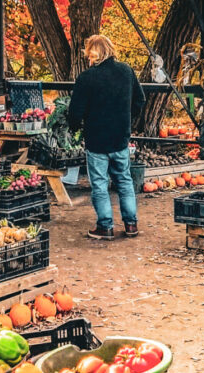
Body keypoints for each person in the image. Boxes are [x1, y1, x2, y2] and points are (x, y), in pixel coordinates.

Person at [69, 34, 146, 239]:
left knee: (100, 184)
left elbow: (75, 112)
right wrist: (128, 119)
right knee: (124, 180)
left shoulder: (86, 78)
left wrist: (76, 127)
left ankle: (105, 226)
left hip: (96, 140)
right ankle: (131, 224)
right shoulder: (126, 71)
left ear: (93, 54)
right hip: (120, 136)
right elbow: (140, 100)